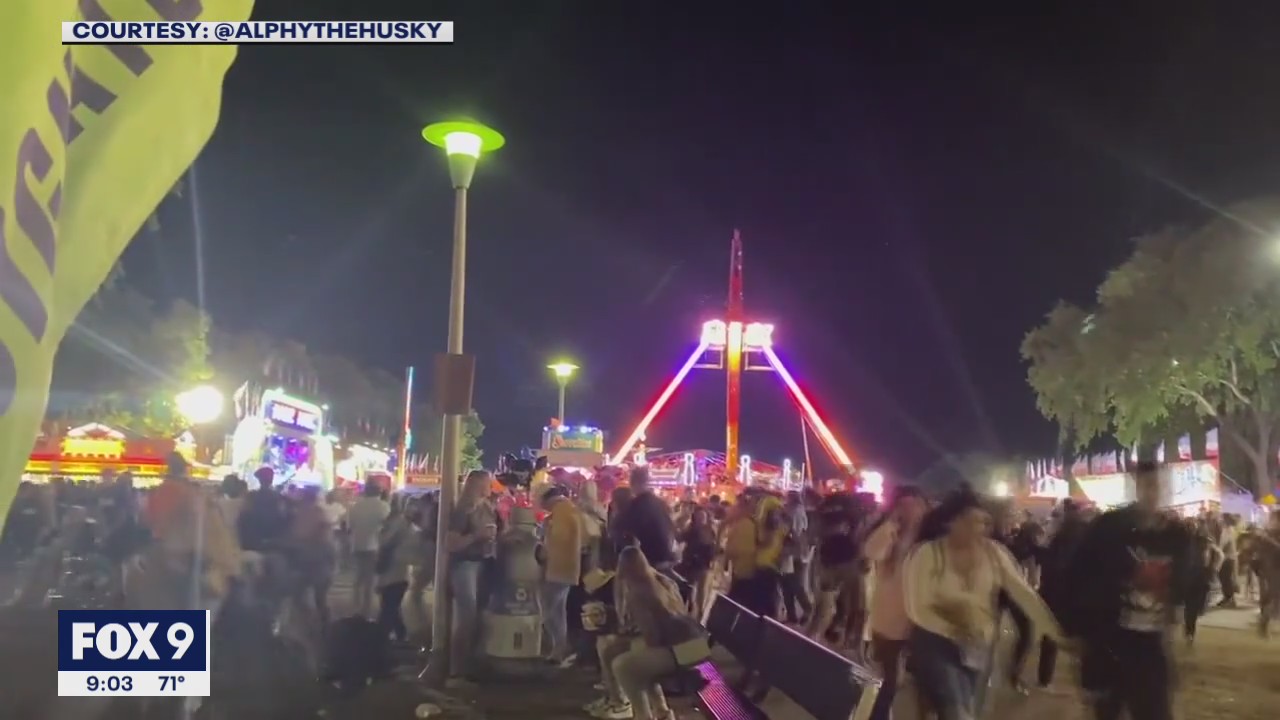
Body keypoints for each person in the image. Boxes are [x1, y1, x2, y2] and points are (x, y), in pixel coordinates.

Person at [904, 487, 1066, 720]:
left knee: (971, 707)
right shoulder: (927, 554)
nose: (979, 529)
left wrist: (1056, 633)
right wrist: (954, 629)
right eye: (971, 522)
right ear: (951, 522)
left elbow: (1024, 594)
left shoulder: (994, 553)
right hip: (936, 643)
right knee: (957, 711)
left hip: (980, 644)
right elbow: (916, 608)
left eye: (983, 522)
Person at [1061, 460, 1191, 720]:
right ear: (1136, 486)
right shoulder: (1108, 528)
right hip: (1111, 642)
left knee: (1155, 712)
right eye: (1147, 485)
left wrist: (1175, 606)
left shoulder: (1176, 535)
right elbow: (1075, 574)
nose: (1153, 492)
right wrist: (1075, 631)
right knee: (1108, 711)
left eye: (1159, 485)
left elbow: (1185, 581)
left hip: (1151, 646)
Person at [607, 546, 710, 720]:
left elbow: (653, 639)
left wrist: (629, 635)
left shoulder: (637, 594)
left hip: (685, 652)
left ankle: (643, 715)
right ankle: (662, 712)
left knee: (624, 666)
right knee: (637, 655)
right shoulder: (662, 580)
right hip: (697, 645)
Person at [862, 485, 926, 720]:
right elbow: (871, 551)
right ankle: (878, 716)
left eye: (915, 505)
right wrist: (891, 524)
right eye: (904, 506)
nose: (910, 511)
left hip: (920, 620)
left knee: (921, 681)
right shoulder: (890, 534)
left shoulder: (928, 540)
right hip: (889, 619)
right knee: (891, 679)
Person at [445, 470, 499, 680]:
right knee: (466, 616)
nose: (491, 486)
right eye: (487, 482)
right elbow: (451, 543)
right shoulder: (463, 510)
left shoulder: (487, 506)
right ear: (477, 484)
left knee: (480, 615)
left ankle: (472, 663)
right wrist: (478, 536)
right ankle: (457, 668)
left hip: (484, 563)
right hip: (465, 564)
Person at [539, 484, 584, 666]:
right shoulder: (568, 510)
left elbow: (557, 539)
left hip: (558, 568)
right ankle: (558, 649)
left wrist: (542, 549)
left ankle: (559, 648)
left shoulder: (561, 513)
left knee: (550, 610)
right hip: (567, 568)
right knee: (558, 610)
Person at [612, 466, 677, 574]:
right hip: (665, 558)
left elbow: (619, 529)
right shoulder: (661, 504)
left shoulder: (635, 507)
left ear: (633, 483)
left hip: (647, 561)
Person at [347, 482, 391, 618]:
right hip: (374, 546)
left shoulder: (356, 507)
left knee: (358, 579)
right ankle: (366, 613)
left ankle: (355, 609)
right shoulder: (383, 507)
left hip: (357, 545)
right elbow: (387, 526)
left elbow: (351, 526)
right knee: (369, 581)